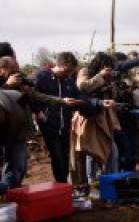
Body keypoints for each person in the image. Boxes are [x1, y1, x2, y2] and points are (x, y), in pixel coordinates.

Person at [71, 52, 119, 196]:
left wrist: (110, 83)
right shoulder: (85, 72)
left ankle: (109, 187)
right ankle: (92, 185)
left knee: (111, 152)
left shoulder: (107, 77)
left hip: (102, 118)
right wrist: (100, 76)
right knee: (89, 153)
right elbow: (82, 87)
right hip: (87, 119)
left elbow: (112, 97)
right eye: (107, 67)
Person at [34, 52, 82, 183]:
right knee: (57, 157)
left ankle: (63, 188)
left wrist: (95, 103)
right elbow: (31, 95)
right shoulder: (41, 77)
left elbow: (80, 97)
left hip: (65, 125)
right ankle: (61, 187)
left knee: (65, 158)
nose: (69, 74)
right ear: (62, 65)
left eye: (71, 72)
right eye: (68, 71)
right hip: (49, 124)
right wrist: (38, 111)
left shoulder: (68, 81)